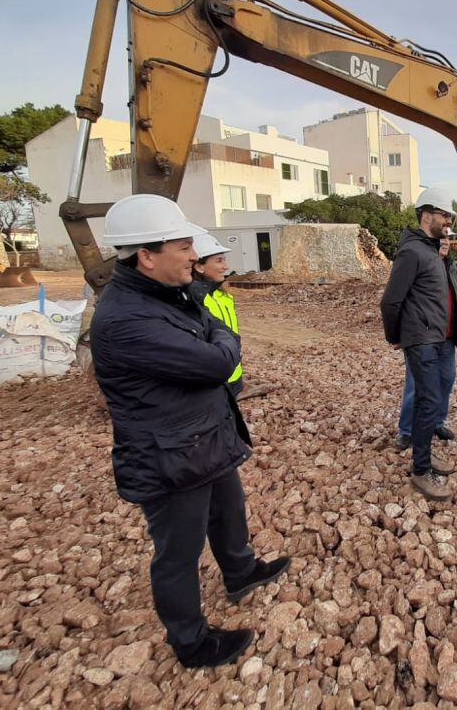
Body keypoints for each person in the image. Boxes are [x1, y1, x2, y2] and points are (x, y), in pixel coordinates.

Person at [90, 194, 290, 669]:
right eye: (183, 247)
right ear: (146, 255)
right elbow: (221, 358)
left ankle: (240, 572)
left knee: (229, 511)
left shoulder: (166, 294)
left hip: (202, 438)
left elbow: (209, 331)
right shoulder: (126, 320)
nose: (194, 257)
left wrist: (216, 335)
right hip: (171, 456)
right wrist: (224, 339)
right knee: (178, 553)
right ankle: (191, 642)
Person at [380, 189, 457, 500]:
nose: (449, 220)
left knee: (436, 395)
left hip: (439, 337)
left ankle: (424, 450)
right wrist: (395, 337)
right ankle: (420, 469)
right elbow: (390, 302)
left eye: (450, 216)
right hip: (422, 339)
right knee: (427, 401)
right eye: (445, 215)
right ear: (427, 215)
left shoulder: (432, 251)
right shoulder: (412, 252)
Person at [396, 229, 457, 448]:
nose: (445, 242)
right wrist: (397, 334)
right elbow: (397, 298)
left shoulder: (450, 266)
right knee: (415, 385)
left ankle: (436, 422)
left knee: (446, 379)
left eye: (447, 239)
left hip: (447, 337)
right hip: (423, 337)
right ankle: (406, 430)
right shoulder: (418, 262)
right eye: (440, 239)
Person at [188, 233, 244, 398]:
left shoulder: (223, 295)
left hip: (233, 377)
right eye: (219, 261)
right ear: (199, 266)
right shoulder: (192, 300)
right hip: (212, 384)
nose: (225, 267)